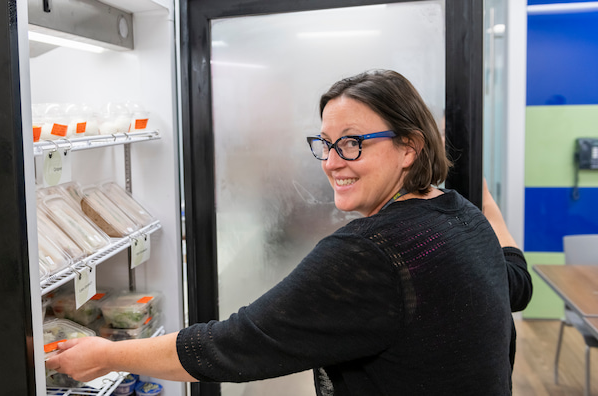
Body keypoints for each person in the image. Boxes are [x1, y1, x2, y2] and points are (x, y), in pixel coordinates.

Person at [46, 70, 532, 395]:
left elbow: (231, 345)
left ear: (409, 147)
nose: (333, 161)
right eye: (325, 144)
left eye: (352, 144)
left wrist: (106, 354)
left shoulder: (370, 253)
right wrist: (483, 197)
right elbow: (516, 280)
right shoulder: (460, 214)